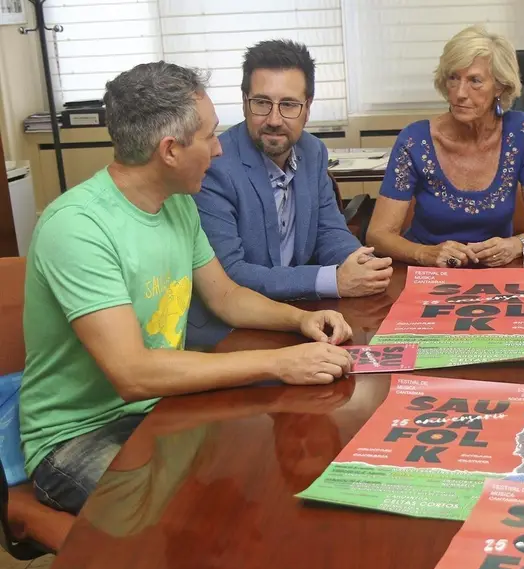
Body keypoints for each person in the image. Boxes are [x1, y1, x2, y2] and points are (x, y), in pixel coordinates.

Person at [20, 61, 355, 516]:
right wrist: (279, 360)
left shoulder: (178, 204)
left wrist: (300, 320)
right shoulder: (77, 228)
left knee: (258, 478)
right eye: (210, 136)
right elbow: (133, 375)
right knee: (192, 513)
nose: (220, 150)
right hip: (77, 437)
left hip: (163, 410)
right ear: (170, 150)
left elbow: (227, 296)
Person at [189, 40, 392, 348]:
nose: (273, 119)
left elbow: (329, 231)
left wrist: (357, 262)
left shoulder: (313, 151)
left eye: (288, 104)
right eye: (261, 103)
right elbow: (230, 274)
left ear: (307, 108)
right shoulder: (215, 165)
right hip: (232, 331)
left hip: (301, 315)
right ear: (245, 102)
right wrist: (333, 281)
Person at [367, 26, 524, 268]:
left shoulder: (522, 132)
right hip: (429, 273)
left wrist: (515, 245)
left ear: (499, 86)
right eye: (453, 78)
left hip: (498, 272)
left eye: (475, 81)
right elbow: (378, 235)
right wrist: (425, 253)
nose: (460, 93)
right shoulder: (414, 140)